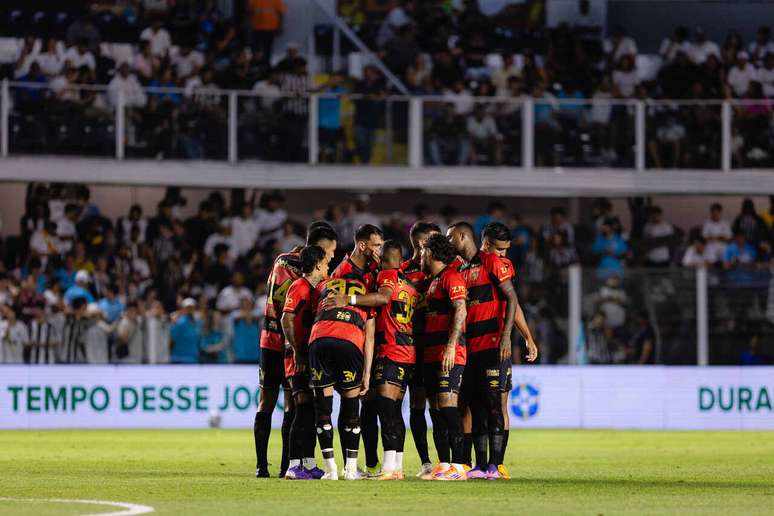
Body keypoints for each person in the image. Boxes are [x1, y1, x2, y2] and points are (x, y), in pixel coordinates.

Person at [322, 240, 419, 480]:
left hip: (390, 349)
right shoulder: (408, 282)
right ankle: (396, 466)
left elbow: (384, 297)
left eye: (379, 252)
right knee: (394, 410)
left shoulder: (387, 274)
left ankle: (388, 469)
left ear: (385, 258)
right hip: (407, 350)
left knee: (386, 410)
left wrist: (350, 300)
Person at [254, 223, 338, 479]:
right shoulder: (306, 273)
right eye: (330, 251)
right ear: (319, 248)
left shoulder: (281, 260)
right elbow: (293, 310)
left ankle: (265, 466)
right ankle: (284, 466)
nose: (332, 256)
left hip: (269, 341)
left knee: (268, 403)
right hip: (289, 345)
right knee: (294, 405)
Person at [447, 222, 515, 480]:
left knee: (493, 404)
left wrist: (507, 336)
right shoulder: (458, 269)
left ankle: (496, 466)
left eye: (450, 237)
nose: (448, 241)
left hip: (493, 346)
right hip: (469, 349)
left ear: (462, 236)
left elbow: (512, 298)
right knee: (475, 407)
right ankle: (480, 464)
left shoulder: (492, 262)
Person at [307, 252, 377, 480]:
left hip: (320, 339)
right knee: (351, 411)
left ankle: (331, 470)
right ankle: (350, 470)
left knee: (323, 410)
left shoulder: (325, 285)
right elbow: (370, 336)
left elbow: (313, 314)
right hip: (349, 341)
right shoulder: (366, 290)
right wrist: (366, 374)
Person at [330, 224, 383, 476]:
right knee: (350, 403)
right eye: (376, 246)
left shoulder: (373, 269)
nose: (379, 251)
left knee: (369, 406)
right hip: (351, 342)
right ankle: (349, 463)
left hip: (374, 340)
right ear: (362, 245)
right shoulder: (343, 273)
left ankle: (369, 461)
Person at [419, 233, 467, 481]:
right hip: (430, 353)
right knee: (436, 409)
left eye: (423, 250)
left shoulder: (451, 277)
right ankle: (445, 464)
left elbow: (461, 308)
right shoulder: (433, 280)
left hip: (449, 353)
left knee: (448, 405)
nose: (420, 255)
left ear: (430, 253)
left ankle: (459, 467)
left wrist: (450, 346)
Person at [281, 245, 331, 480]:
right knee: (301, 410)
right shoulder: (299, 286)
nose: (328, 266)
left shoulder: (313, 288)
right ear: (318, 264)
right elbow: (286, 318)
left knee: (310, 411)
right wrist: (298, 351)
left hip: (309, 357)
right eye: (327, 262)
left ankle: (308, 464)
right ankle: (293, 465)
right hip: (298, 359)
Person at [400, 221, 440, 478]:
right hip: (414, 344)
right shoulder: (403, 271)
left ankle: (447, 460)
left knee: (440, 404)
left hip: (438, 343)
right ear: (421, 243)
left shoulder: (443, 269)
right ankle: (426, 461)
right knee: (418, 403)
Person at [247, 0, 285, 66]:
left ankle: (266, 64)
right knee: (255, 48)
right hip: (256, 28)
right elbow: (249, 13)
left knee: (267, 48)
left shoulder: (277, 1)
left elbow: (280, 14)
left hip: (270, 28)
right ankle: (254, 64)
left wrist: (279, 27)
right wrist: (249, 26)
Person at [169, 298, 202, 364]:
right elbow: (171, 340)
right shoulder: (179, 323)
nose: (190, 310)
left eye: (191, 307)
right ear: (183, 309)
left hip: (193, 359)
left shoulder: (198, 323)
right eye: (187, 308)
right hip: (179, 359)